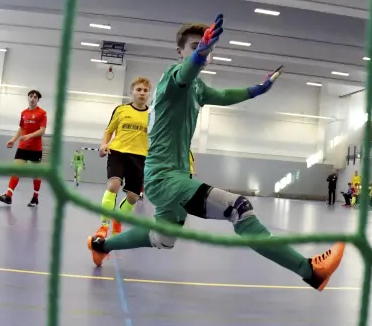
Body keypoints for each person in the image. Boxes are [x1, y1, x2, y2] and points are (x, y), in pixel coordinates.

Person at [89, 16, 345, 290]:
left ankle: (101, 245)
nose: (204, 50)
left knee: (164, 238)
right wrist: (199, 55)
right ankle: (310, 271)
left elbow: (223, 95)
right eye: (195, 46)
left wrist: (257, 90)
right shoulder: (170, 80)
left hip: (175, 174)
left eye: (207, 47)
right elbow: (185, 73)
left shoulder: (198, 88)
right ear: (180, 52)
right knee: (239, 208)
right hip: (164, 177)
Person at [92, 77, 151, 236]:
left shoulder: (153, 115)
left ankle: (118, 220)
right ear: (131, 92)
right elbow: (109, 130)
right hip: (118, 152)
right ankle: (104, 226)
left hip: (140, 157)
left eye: (145, 90)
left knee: (133, 197)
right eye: (138, 90)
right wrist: (104, 144)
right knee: (113, 185)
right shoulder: (121, 110)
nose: (142, 93)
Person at [0, 90, 49, 206]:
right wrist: (13, 140)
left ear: (38, 100)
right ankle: (8, 196)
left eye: (35, 97)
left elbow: (42, 130)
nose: (32, 98)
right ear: (28, 98)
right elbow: (21, 128)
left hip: (35, 149)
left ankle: (35, 198)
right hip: (23, 147)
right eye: (31, 96)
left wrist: (29, 136)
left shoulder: (42, 113)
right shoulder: (24, 113)